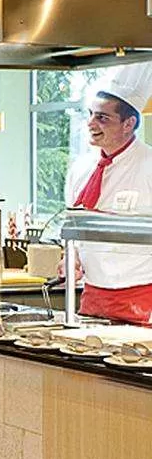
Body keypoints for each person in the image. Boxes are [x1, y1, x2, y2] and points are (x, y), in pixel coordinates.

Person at [65, 63, 152, 323]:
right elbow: (74, 229)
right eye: (91, 114)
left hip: (142, 297)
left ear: (129, 124)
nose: (91, 123)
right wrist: (72, 259)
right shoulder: (81, 169)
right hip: (92, 296)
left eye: (102, 118)